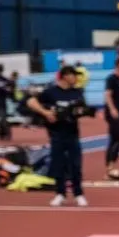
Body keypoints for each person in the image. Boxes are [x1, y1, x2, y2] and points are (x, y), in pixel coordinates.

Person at [26, 66, 88, 207]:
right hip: (56, 134)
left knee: (75, 165)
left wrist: (81, 111)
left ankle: (79, 194)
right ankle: (60, 194)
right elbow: (30, 102)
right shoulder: (50, 92)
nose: (76, 78)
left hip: (73, 134)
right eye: (74, 75)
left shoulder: (77, 92)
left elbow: (83, 108)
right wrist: (45, 113)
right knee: (58, 165)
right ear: (66, 76)